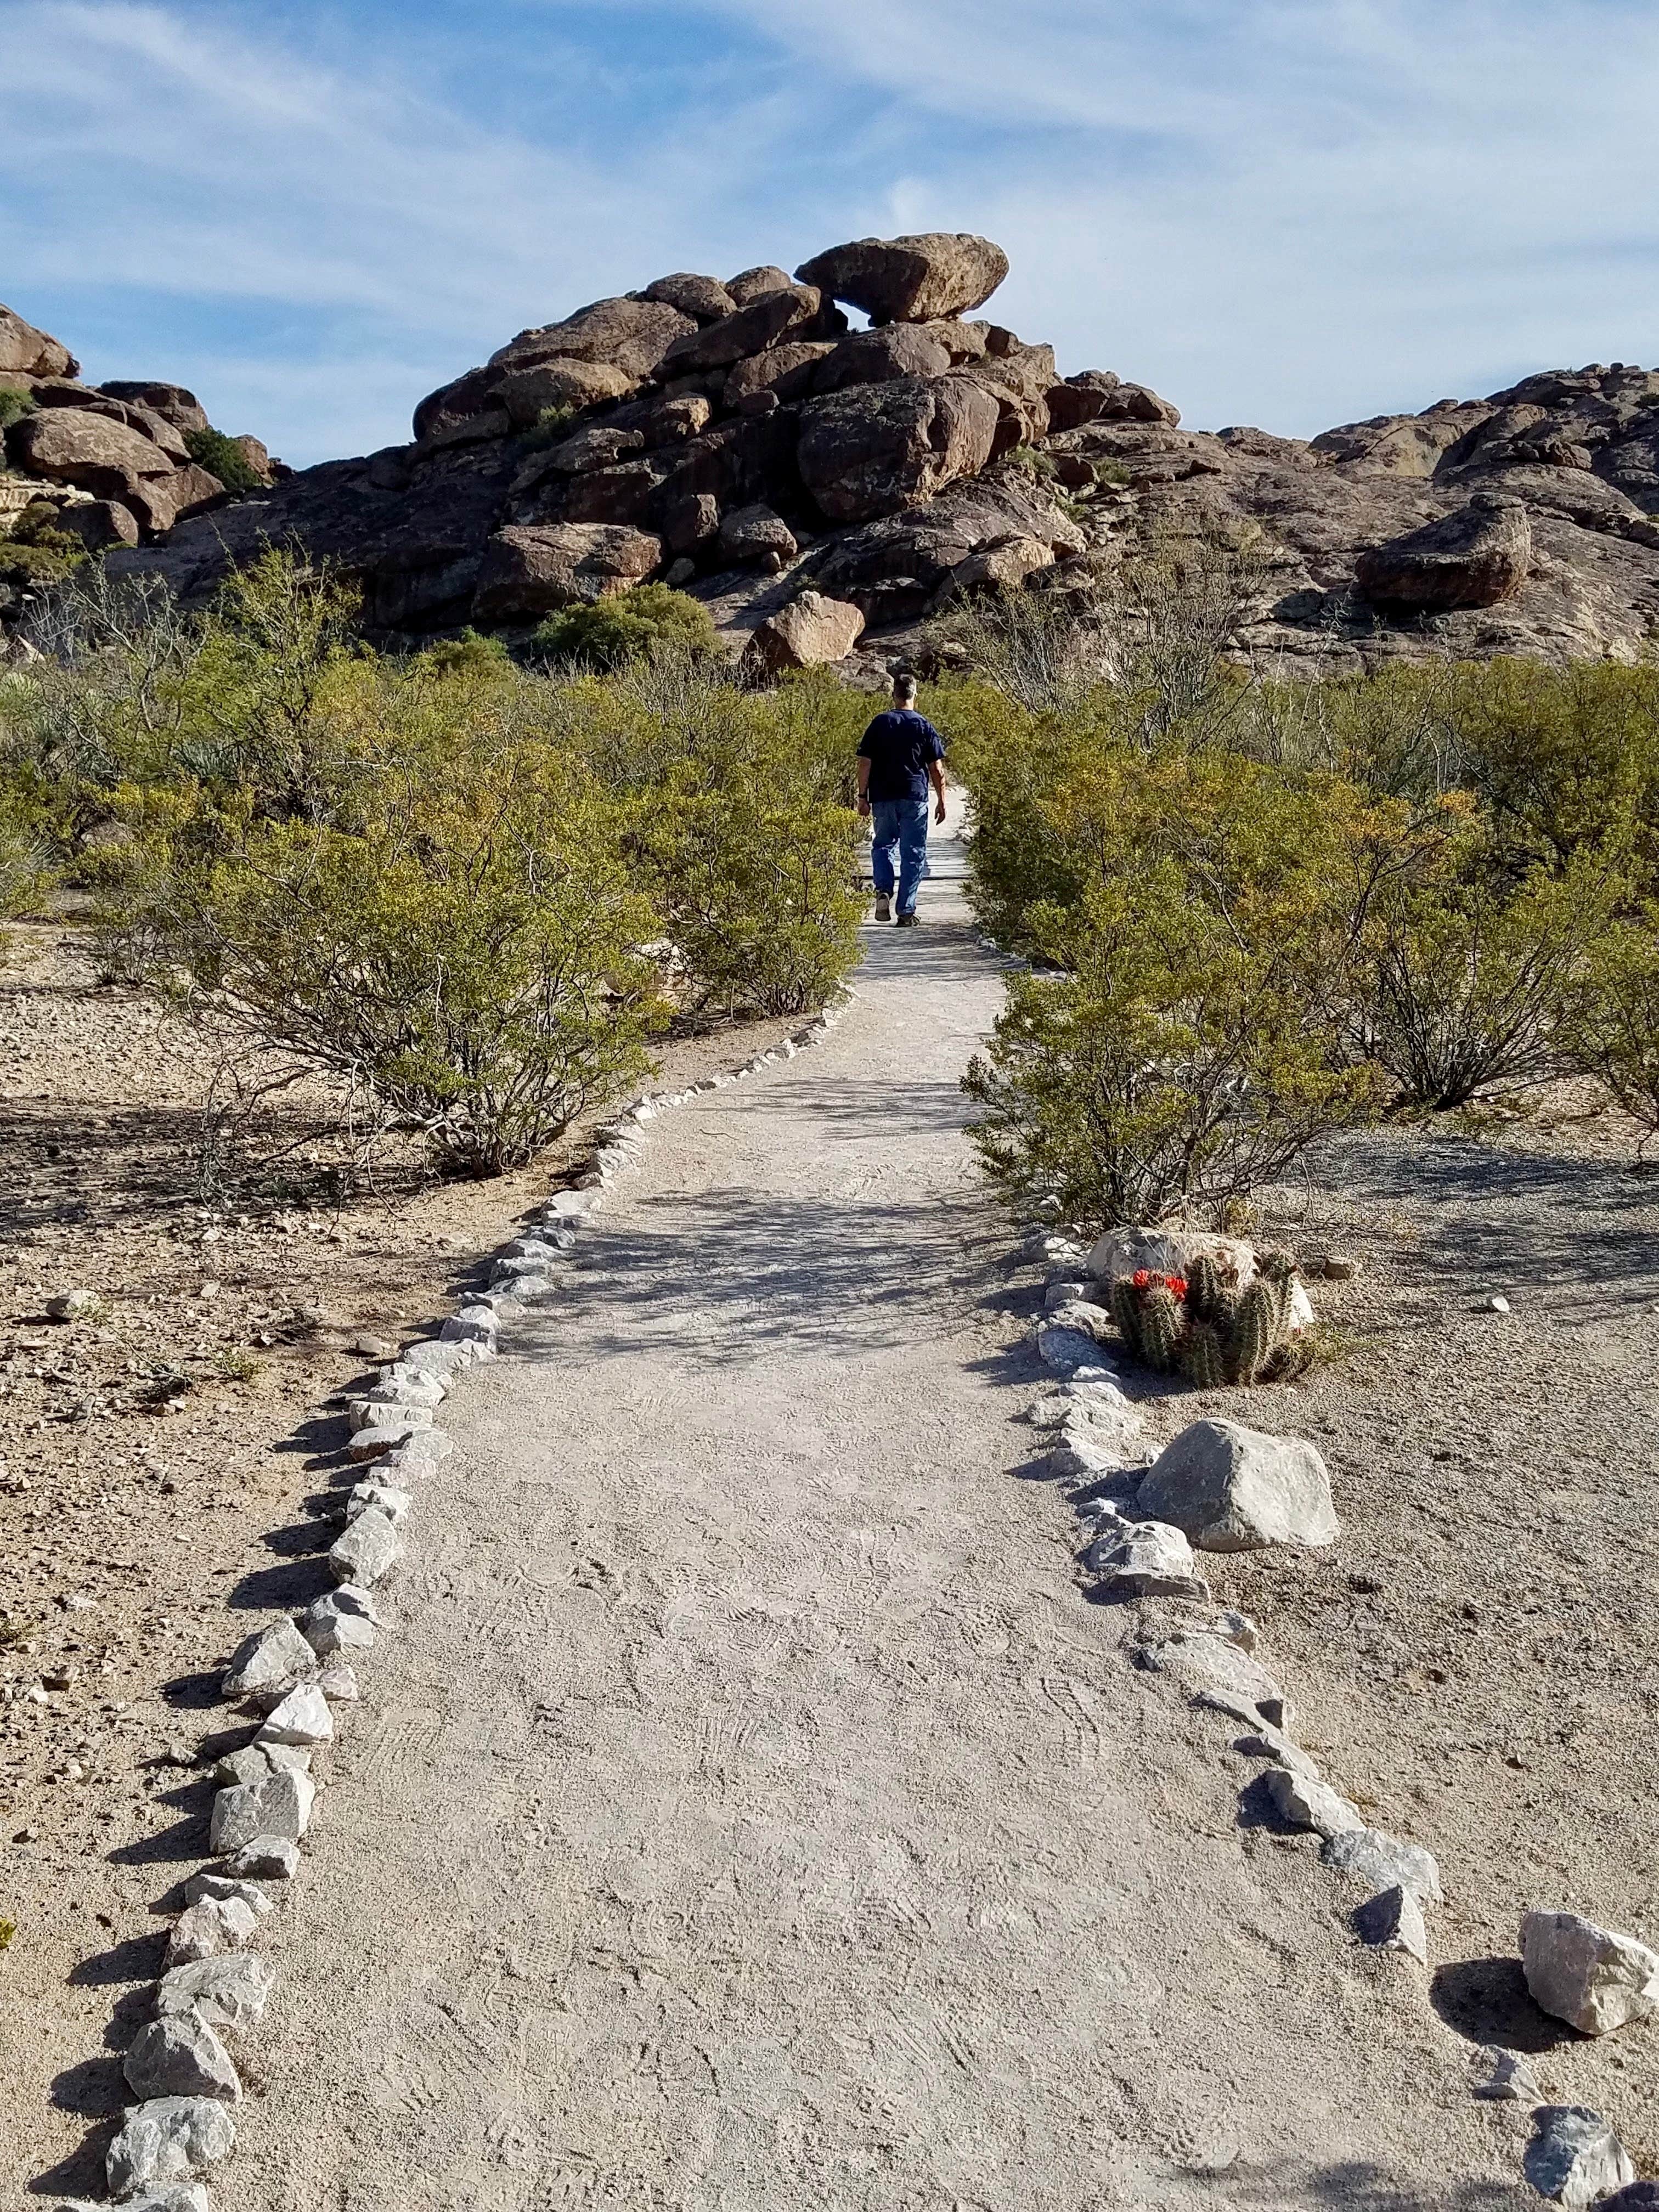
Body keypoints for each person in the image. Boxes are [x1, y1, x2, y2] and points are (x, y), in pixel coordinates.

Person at [855, 674, 947, 927]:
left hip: (883, 797)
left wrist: (863, 797)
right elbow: (936, 769)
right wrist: (941, 799)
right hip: (914, 796)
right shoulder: (923, 725)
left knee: (883, 845)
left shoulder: (880, 723)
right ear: (914, 695)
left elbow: (865, 763)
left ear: (894, 695)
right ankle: (905, 912)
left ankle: (883, 889)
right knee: (913, 853)